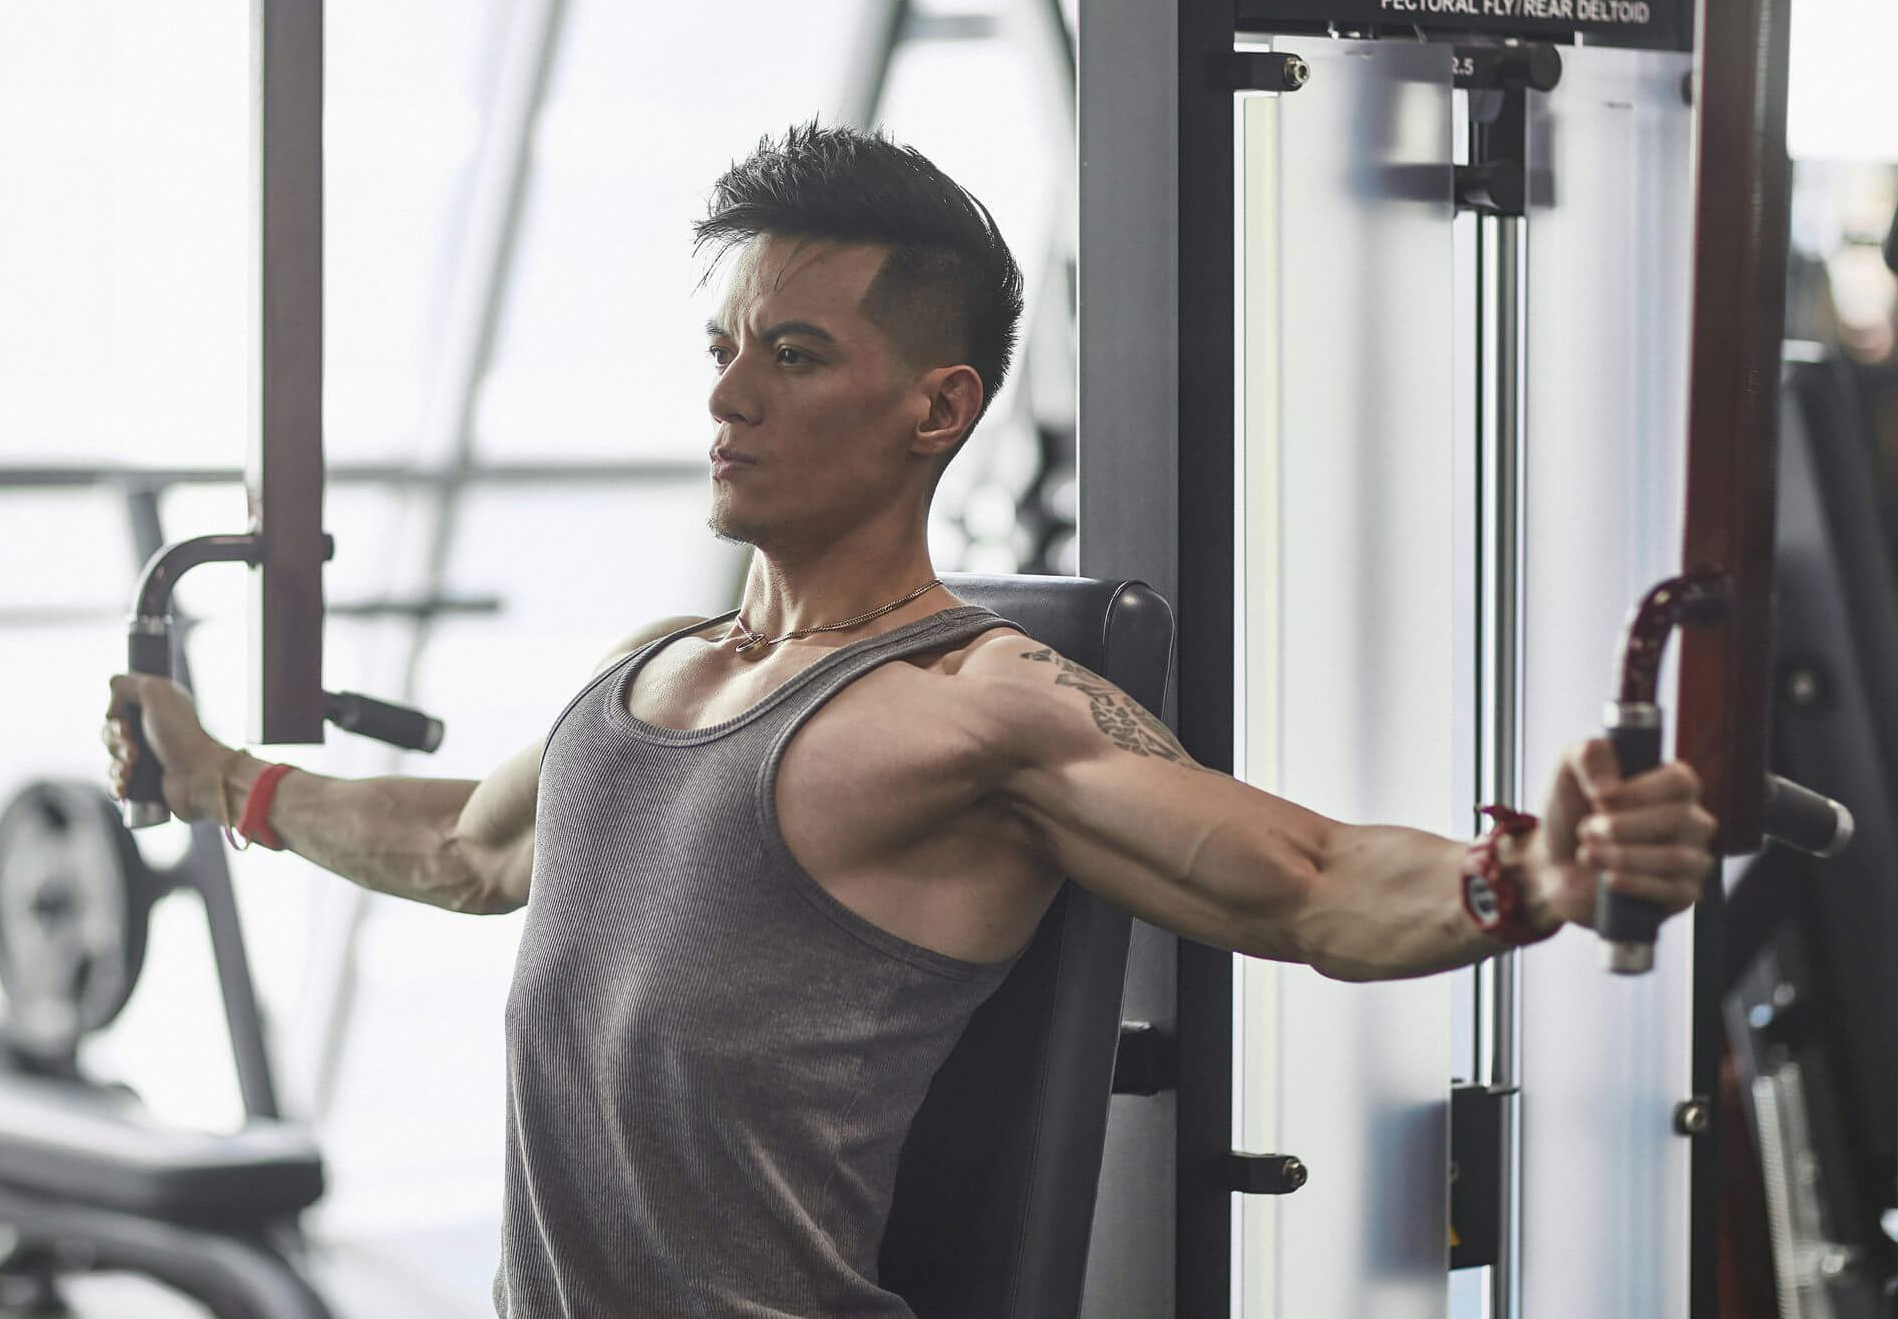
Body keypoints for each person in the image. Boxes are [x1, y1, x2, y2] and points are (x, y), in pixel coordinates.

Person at [103, 122, 1715, 1318]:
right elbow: (468, 846)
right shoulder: (650, 670)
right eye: (724, 348)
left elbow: (1304, 878)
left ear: (937, 407)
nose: (727, 396)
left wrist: (1528, 877)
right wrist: (227, 778)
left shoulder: (978, 708)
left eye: (793, 356)